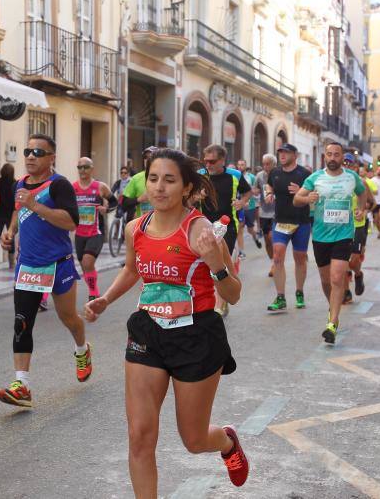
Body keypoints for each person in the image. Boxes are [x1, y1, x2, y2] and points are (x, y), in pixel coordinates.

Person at [84, 148, 248, 498]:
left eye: (169, 180)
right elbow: (132, 270)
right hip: (148, 332)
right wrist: (106, 299)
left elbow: (233, 294)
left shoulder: (202, 231)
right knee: (139, 436)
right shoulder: (136, 229)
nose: (159, 187)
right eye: (153, 178)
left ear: (187, 188)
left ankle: (226, 441)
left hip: (196, 336)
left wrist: (216, 263)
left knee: (194, 439)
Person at [0, 134, 93, 408]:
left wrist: (36, 205)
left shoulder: (59, 185)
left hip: (58, 263)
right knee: (22, 322)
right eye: (28, 151)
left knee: (68, 317)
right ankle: (22, 385)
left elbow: (71, 222)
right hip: (28, 264)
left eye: (38, 152)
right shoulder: (19, 184)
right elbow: (17, 210)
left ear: (52, 157)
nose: (31, 156)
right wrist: (10, 231)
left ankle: (82, 350)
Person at [294, 142, 366, 344]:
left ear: (342, 157)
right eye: (329, 154)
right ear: (324, 156)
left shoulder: (352, 177)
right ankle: (332, 308)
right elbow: (296, 199)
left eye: (336, 154)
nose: (333, 158)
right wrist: (307, 198)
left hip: (344, 235)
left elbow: (362, 193)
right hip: (320, 236)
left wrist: (360, 209)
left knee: (337, 278)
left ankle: (332, 322)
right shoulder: (315, 178)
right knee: (326, 281)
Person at [198, 145, 251, 316]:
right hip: (203, 225)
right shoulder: (200, 175)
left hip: (227, 225)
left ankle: (220, 304)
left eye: (212, 161)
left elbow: (247, 192)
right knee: (205, 264)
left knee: (220, 261)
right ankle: (216, 299)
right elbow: (187, 196)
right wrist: (197, 196)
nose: (208, 164)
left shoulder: (235, 175)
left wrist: (242, 202)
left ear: (222, 160)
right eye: (205, 161)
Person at [263, 142, 312, 312]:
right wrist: (269, 193)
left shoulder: (305, 174)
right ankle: (280, 297)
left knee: (300, 258)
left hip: (301, 222)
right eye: (280, 152)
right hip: (281, 221)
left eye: (286, 152)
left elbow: (314, 195)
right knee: (277, 257)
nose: (282, 155)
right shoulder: (275, 172)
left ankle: (299, 292)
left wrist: (301, 192)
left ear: (295, 155)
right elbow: (269, 184)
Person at [73, 157, 112, 301]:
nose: (82, 170)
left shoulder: (100, 187)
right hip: (79, 234)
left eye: (86, 167)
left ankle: (93, 293)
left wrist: (106, 209)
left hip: (96, 232)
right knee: (84, 266)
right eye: (80, 167)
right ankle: (93, 289)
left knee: (87, 262)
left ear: (92, 168)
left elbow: (114, 202)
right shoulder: (73, 187)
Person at [343, 158, 375, 303]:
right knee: (342, 259)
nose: (347, 166)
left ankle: (358, 274)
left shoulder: (361, 182)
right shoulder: (336, 183)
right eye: (344, 163)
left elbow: (372, 203)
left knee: (354, 260)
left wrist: (363, 210)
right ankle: (346, 292)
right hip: (341, 226)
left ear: (356, 167)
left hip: (358, 225)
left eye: (350, 164)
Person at [254, 154, 277, 276]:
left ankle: (275, 264)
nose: (265, 166)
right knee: (267, 241)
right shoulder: (259, 176)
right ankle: (273, 261)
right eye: (264, 164)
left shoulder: (279, 174)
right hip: (264, 212)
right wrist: (255, 191)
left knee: (272, 237)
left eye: (268, 164)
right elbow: (255, 189)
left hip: (277, 212)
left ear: (274, 164)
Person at [122, 146, 160, 219]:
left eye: (152, 157)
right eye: (145, 157)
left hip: (163, 224)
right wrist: (139, 199)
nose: (147, 159)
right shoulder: (136, 178)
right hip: (143, 223)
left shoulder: (167, 178)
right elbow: (124, 204)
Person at [236, 159, 262, 255]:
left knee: (250, 229)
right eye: (239, 164)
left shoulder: (251, 177)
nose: (240, 166)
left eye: (242, 165)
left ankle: (256, 238)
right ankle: (241, 251)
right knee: (240, 228)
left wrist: (251, 192)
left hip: (250, 206)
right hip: (239, 206)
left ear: (245, 166)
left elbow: (257, 191)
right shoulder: (235, 176)